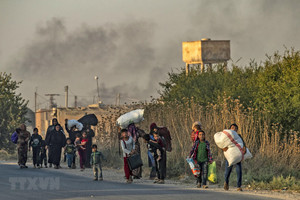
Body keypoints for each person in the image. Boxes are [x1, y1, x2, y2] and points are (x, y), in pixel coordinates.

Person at [223, 123, 246, 191]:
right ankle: (226, 182)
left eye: (236, 128)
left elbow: (243, 144)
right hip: (230, 156)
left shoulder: (239, 136)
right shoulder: (227, 136)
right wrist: (223, 148)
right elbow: (222, 144)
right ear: (230, 129)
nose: (234, 129)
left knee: (239, 171)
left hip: (237, 155)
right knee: (228, 171)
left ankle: (239, 186)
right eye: (233, 127)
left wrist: (244, 148)